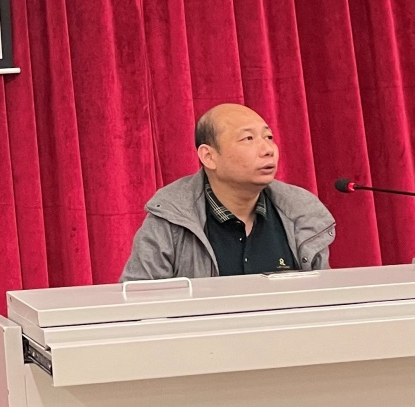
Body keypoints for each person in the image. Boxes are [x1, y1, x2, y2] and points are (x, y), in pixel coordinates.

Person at [120, 103, 335, 281]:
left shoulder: (300, 211)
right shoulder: (171, 217)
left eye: (268, 137)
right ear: (209, 157)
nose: (268, 150)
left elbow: (324, 300)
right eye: (248, 139)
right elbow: (138, 304)